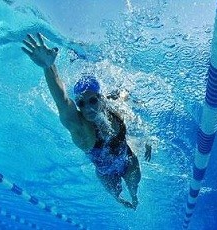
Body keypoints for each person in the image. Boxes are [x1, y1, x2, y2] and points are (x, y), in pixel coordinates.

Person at [21, 33, 152, 209]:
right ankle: (123, 200)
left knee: (133, 188)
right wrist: (48, 66)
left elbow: (133, 114)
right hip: (106, 173)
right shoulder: (80, 128)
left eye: (92, 100)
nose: (88, 108)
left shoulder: (113, 106)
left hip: (128, 159)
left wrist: (147, 140)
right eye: (81, 103)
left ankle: (135, 197)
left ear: (101, 98)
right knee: (117, 195)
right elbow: (62, 100)